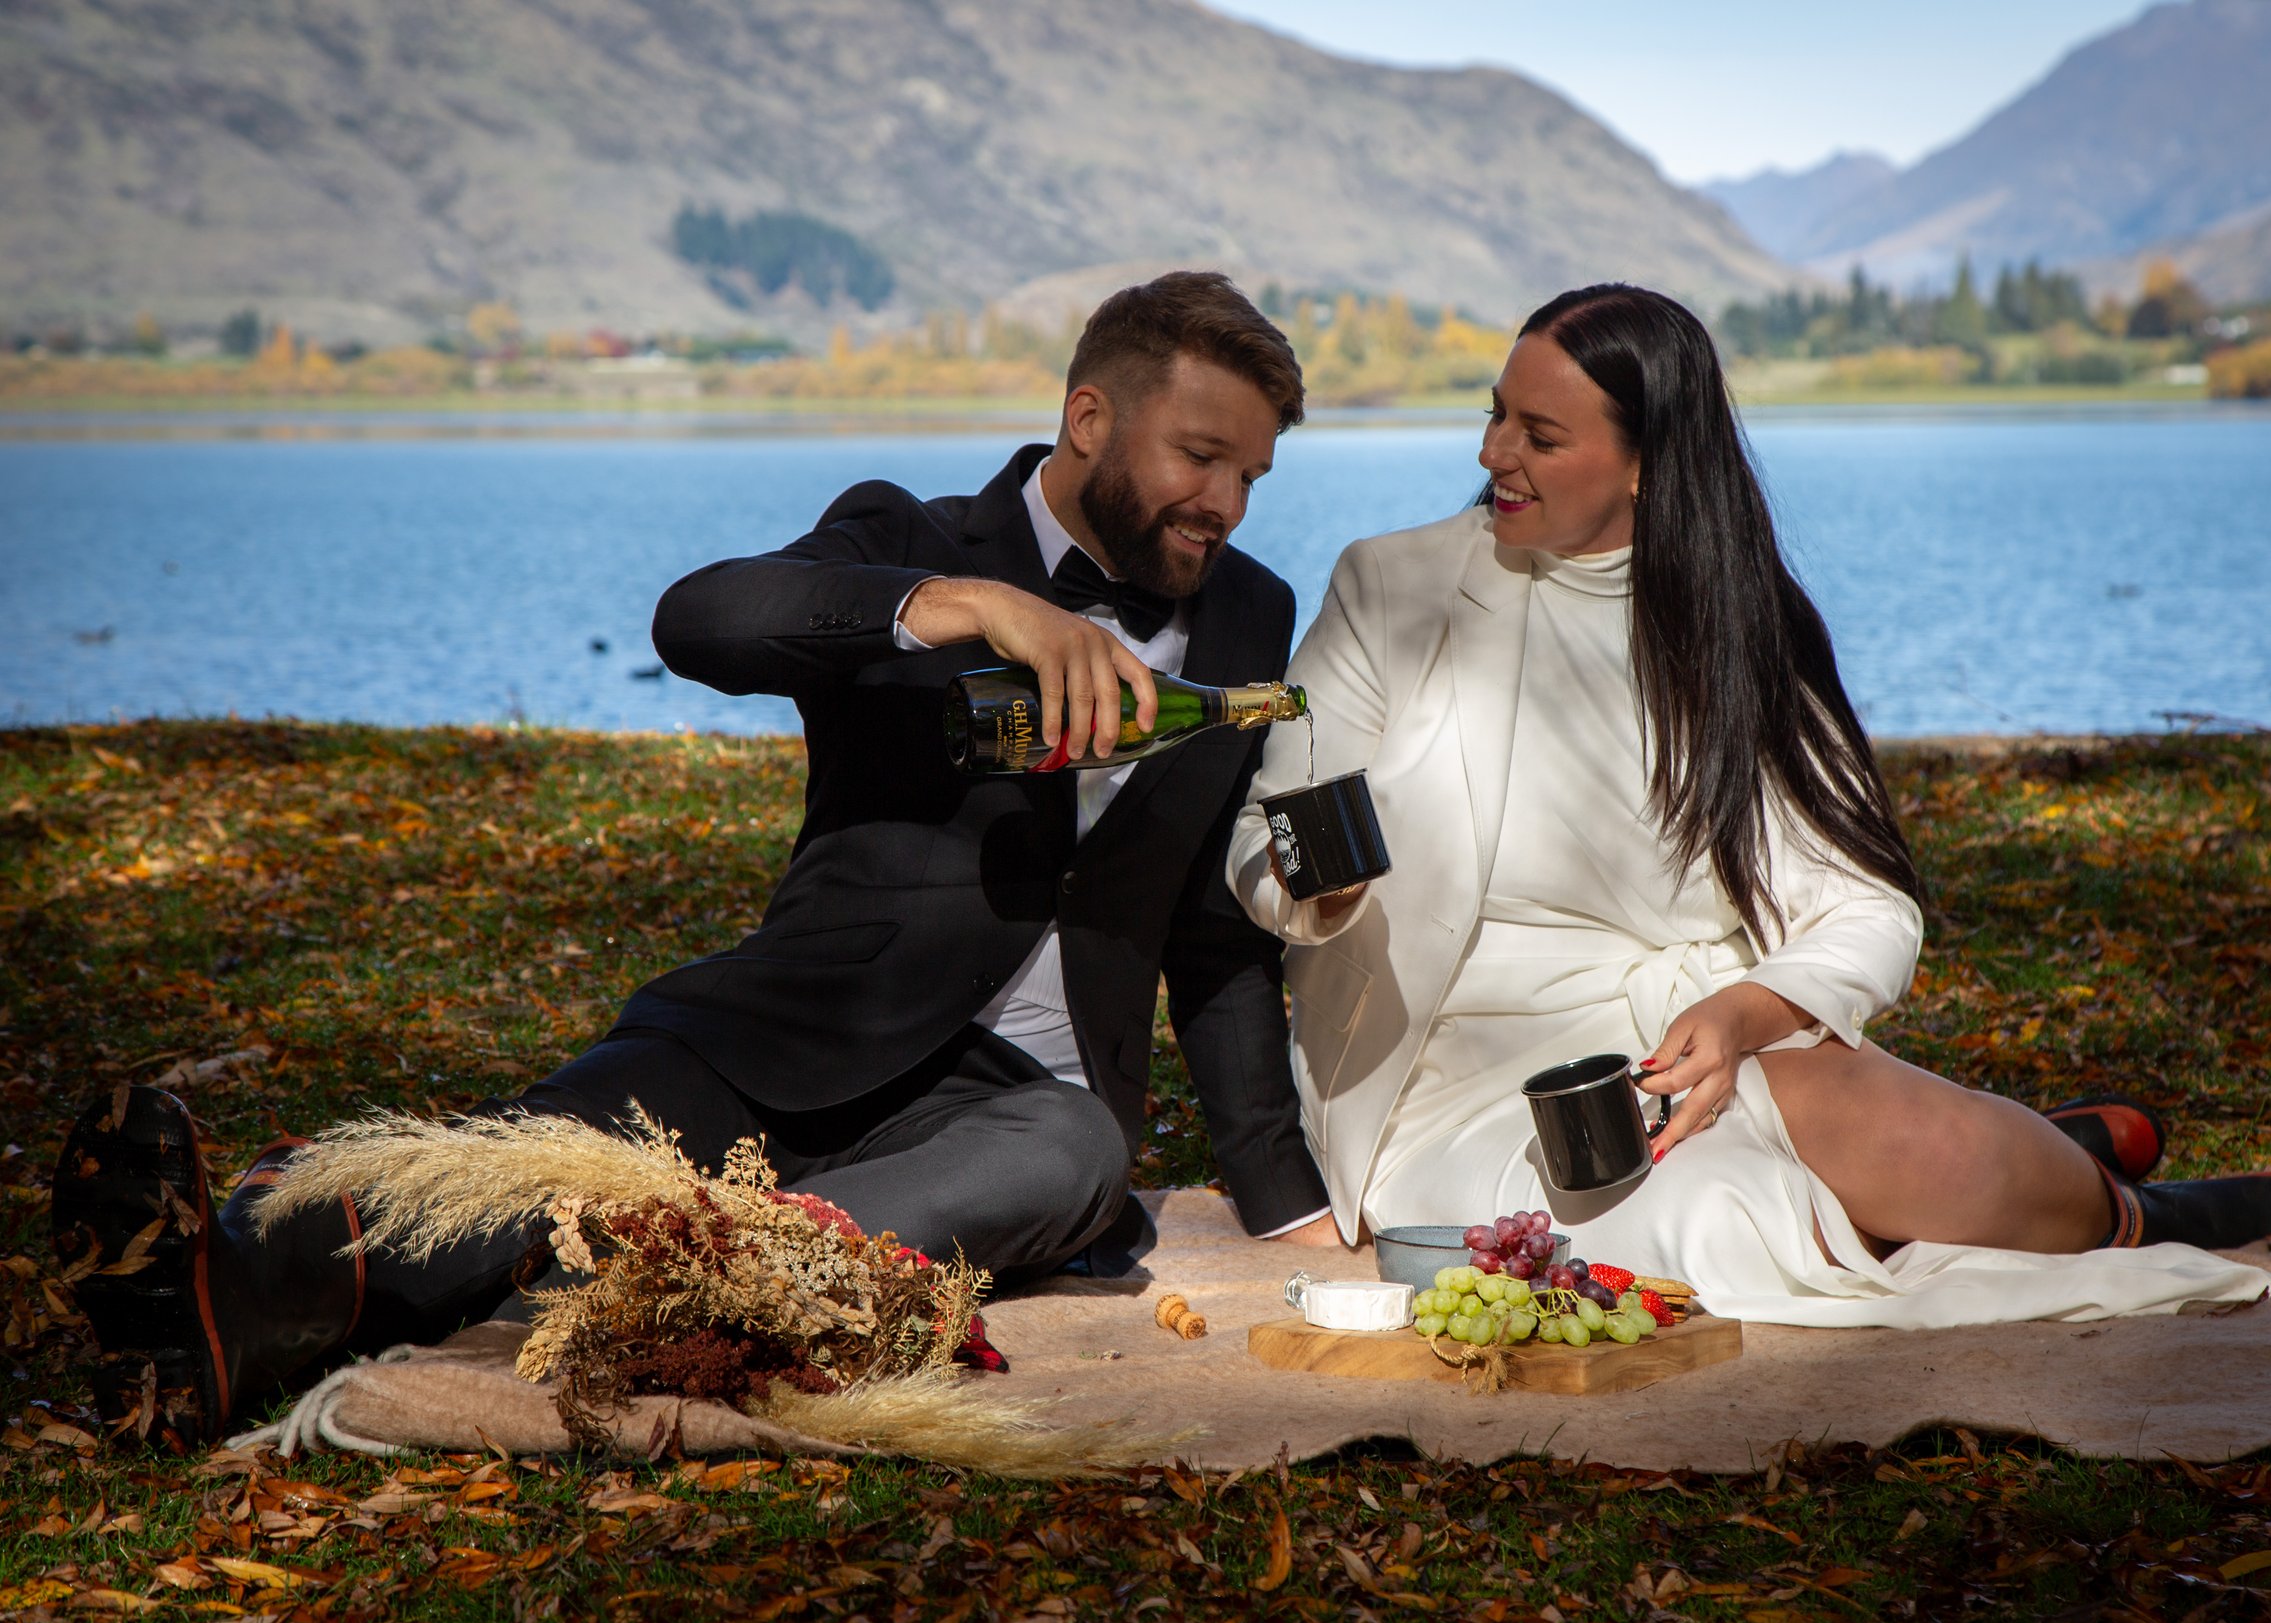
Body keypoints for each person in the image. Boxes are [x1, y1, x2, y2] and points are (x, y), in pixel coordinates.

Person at [54, 271, 1337, 1445]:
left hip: (1019, 1113)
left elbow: (1214, 940)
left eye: (1250, 477)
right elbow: (701, 616)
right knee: (527, 1164)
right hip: (789, 1035)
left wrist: (1285, 1207)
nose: (1222, 504)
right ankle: (216, 1303)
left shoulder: (1248, 612)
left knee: (1076, 1151)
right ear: (1090, 418)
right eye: (1201, 456)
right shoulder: (910, 534)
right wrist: (966, 605)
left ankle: (682, 1277)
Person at [1227, 283, 2271, 1328]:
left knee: (1938, 1156)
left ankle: (2131, 1210)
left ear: (1645, 461)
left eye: (1539, 434)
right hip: (1448, 1083)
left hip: (1690, 1041)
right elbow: (1261, 837)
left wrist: (1745, 1013)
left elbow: (1867, 907)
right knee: (1721, 1231)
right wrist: (1307, 883)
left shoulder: (1738, 628)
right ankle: (2041, 1173)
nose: (1493, 455)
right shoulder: (1392, 589)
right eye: (1496, 417)